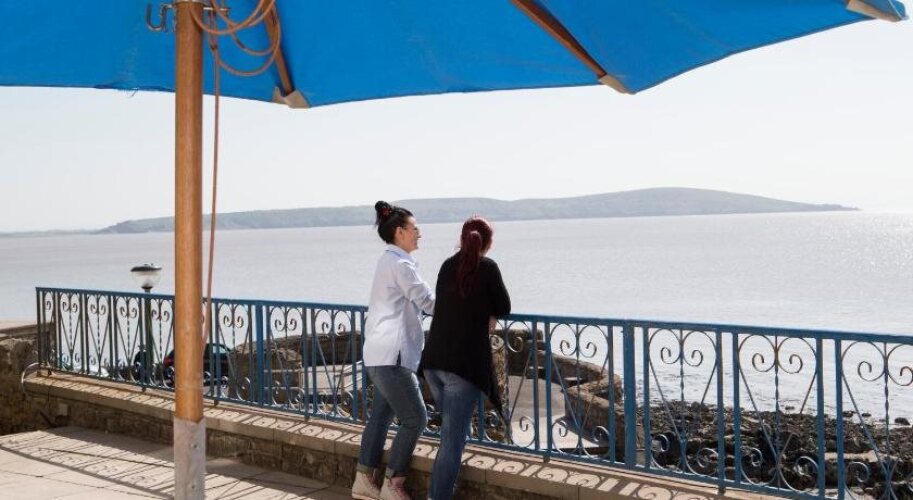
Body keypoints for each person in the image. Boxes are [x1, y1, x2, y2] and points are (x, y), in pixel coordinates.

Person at [419, 216, 511, 500]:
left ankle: (445, 486)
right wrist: (490, 313)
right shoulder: (488, 268)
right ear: (488, 243)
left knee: (453, 430)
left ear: (461, 239)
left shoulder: (447, 265)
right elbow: (505, 305)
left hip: (433, 362)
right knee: (452, 440)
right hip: (462, 367)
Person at [352, 201, 435, 500]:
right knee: (416, 419)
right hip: (393, 356)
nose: (419, 233)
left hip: (378, 354)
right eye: (415, 228)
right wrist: (463, 308)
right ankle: (393, 484)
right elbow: (427, 302)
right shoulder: (401, 265)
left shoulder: (388, 260)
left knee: (380, 417)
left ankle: (364, 480)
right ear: (400, 232)